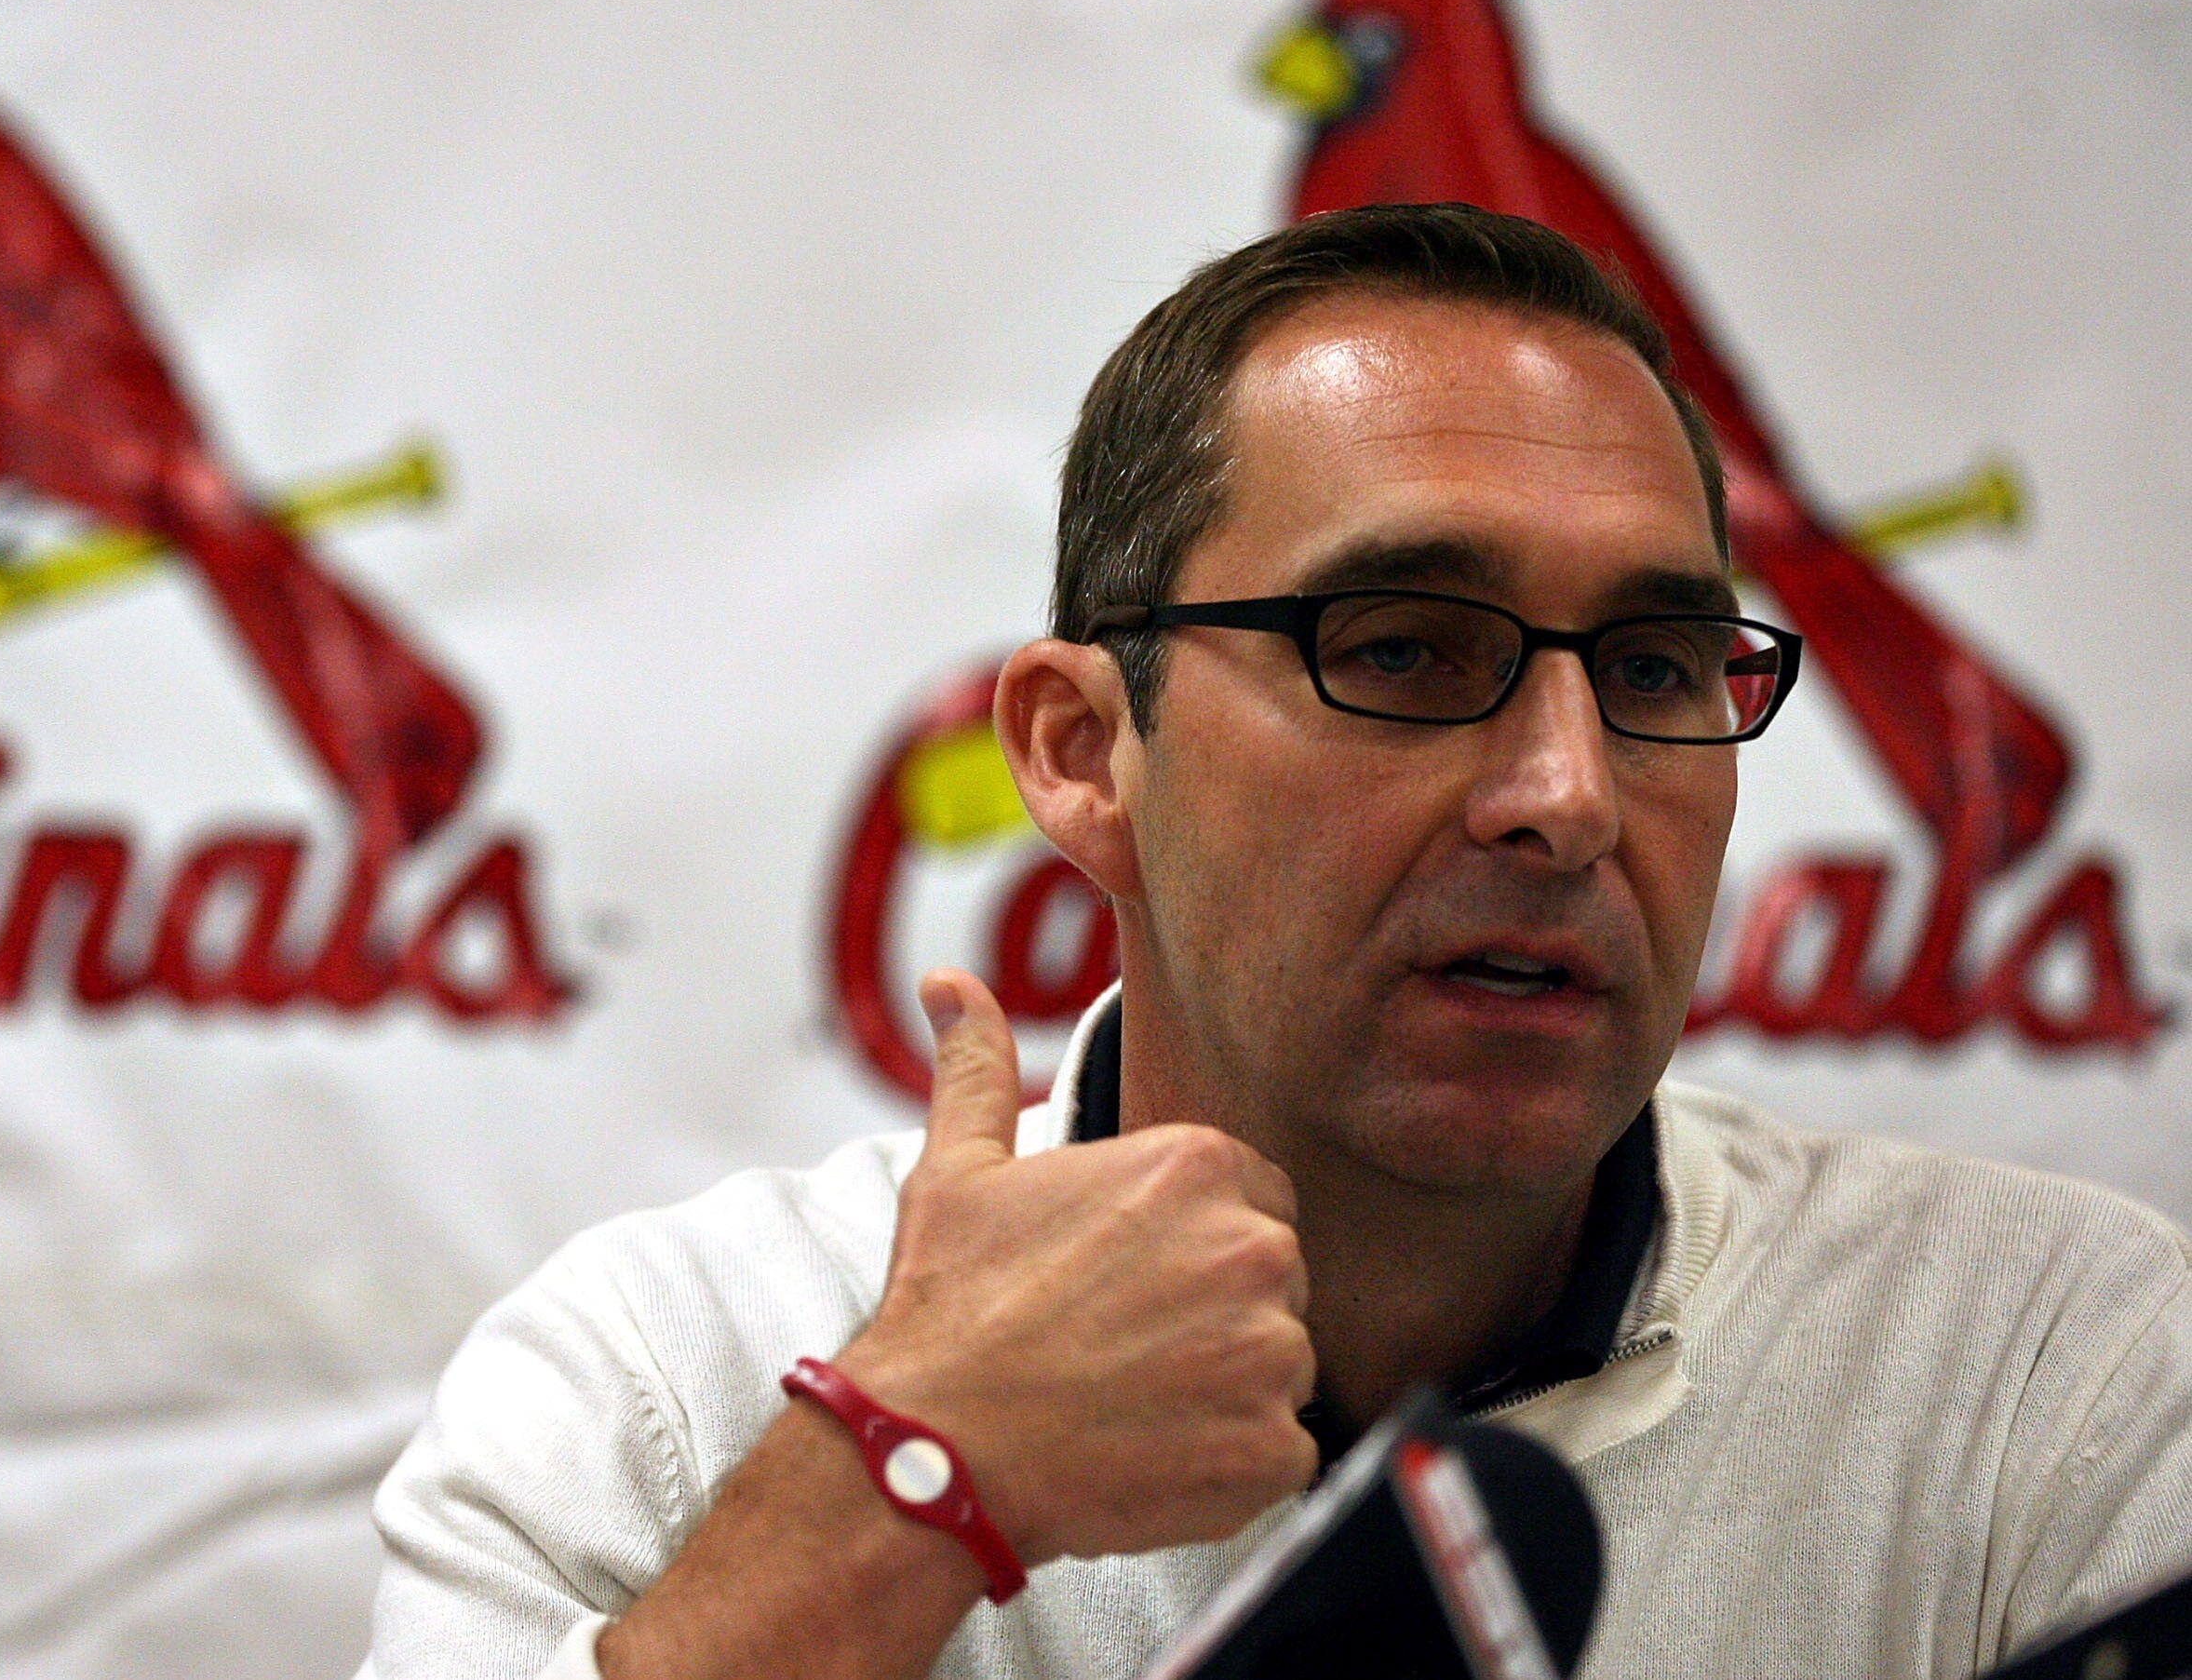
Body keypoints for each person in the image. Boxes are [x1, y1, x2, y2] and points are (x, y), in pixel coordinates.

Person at [358, 205, 2192, 1680]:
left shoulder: (2052, 1369)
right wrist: (900, 1479)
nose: (1566, 794)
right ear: (1082, 750)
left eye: (1650, 669)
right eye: (1401, 647)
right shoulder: (668, 1382)